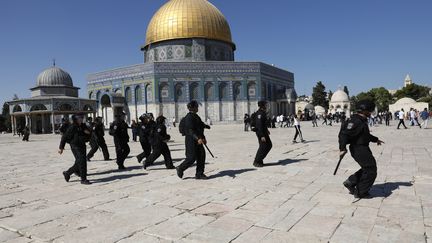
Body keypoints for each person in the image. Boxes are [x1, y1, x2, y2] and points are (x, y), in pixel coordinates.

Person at [339, 100, 384, 198]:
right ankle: (360, 192)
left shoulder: (360, 120)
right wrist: (342, 148)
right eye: (369, 111)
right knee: (371, 170)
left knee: (367, 168)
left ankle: (351, 182)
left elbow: (365, 135)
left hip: (362, 148)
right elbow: (344, 134)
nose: (370, 113)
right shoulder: (356, 121)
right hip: (358, 149)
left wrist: (375, 139)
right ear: (364, 111)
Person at [176, 100, 211, 180]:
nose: (197, 108)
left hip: (198, 139)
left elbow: (200, 126)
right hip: (191, 140)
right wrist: (197, 138)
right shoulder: (189, 117)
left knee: (201, 155)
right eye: (196, 106)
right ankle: (180, 168)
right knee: (191, 158)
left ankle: (199, 173)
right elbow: (190, 130)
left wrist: (204, 135)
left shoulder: (195, 116)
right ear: (194, 108)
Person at [59, 114, 92, 185]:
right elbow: (64, 137)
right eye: (80, 118)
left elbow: (89, 133)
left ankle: (67, 173)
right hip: (75, 146)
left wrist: (88, 132)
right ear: (76, 119)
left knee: (80, 161)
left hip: (82, 145)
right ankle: (83, 179)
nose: (81, 119)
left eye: (82, 118)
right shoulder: (72, 127)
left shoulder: (83, 126)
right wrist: (61, 148)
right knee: (82, 161)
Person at [252, 100, 272, 167]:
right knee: (263, 146)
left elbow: (263, 124)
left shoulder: (262, 113)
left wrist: (266, 130)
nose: (266, 106)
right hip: (261, 133)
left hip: (264, 132)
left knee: (269, 145)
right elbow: (259, 125)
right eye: (265, 105)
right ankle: (257, 161)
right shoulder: (260, 114)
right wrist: (262, 136)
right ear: (262, 106)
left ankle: (260, 159)